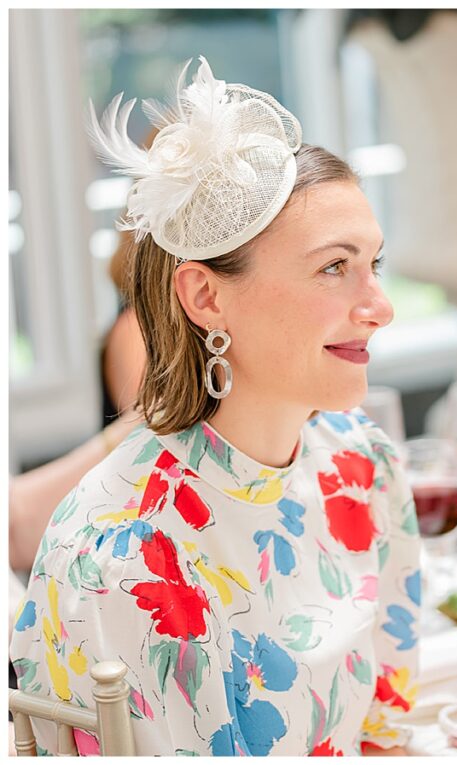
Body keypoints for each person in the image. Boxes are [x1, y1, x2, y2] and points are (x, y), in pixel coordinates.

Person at [10, 57, 420, 756]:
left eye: (373, 264)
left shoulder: (363, 464)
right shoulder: (123, 555)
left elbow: (387, 730)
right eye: (333, 267)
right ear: (206, 297)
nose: (378, 308)